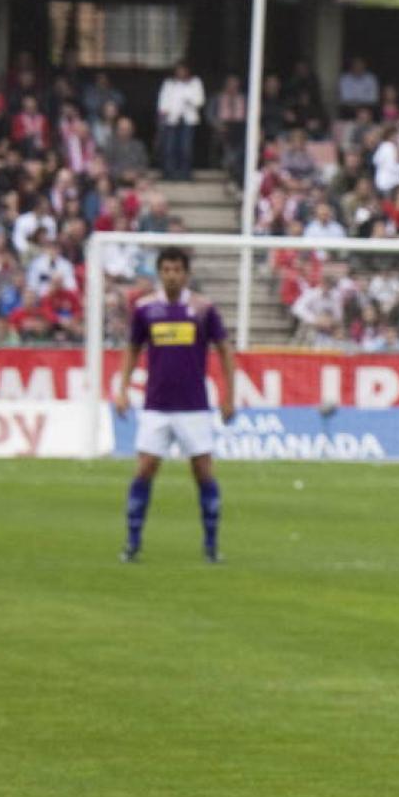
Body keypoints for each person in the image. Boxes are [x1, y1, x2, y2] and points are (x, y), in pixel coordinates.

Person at [114, 246, 235, 563]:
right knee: (145, 469)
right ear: (159, 272)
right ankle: (132, 543)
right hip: (156, 405)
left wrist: (228, 395)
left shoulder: (204, 309)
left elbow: (224, 350)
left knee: (203, 472)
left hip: (194, 406)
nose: (171, 275)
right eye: (166, 270)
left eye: (177, 270)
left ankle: (211, 547)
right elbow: (131, 349)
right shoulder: (144, 309)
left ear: (186, 273)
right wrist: (122, 389)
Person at [155, 63, 205, 180]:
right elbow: (163, 101)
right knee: (169, 147)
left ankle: (185, 174)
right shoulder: (169, 84)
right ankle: (169, 173)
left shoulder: (195, 83)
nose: (181, 73)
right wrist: (162, 116)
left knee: (186, 148)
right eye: (179, 70)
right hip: (171, 119)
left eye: (183, 70)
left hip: (188, 120)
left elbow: (200, 101)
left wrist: (187, 97)